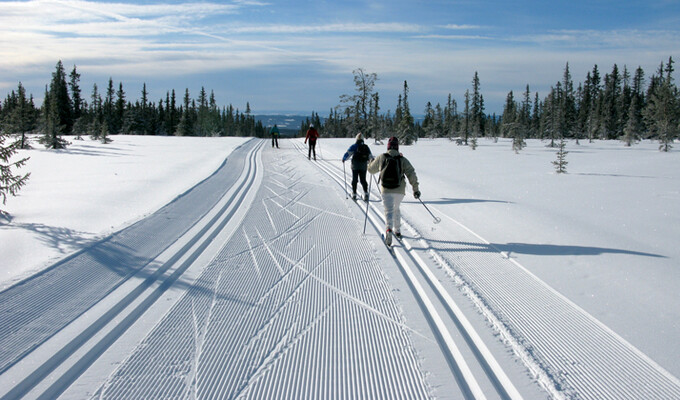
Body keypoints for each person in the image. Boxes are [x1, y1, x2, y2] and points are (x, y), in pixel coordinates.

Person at [367, 136, 420, 246]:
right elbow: (411, 174)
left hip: (386, 189)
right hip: (399, 190)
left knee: (388, 210)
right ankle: (397, 230)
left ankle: (388, 230)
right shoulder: (402, 159)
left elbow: (371, 170)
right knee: (396, 208)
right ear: (397, 147)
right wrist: (416, 189)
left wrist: (371, 162)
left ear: (388, 146)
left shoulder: (382, 157)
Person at [342, 133, 373, 201]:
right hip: (363, 166)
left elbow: (348, 154)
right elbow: (370, 156)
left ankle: (354, 194)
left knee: (354, 179)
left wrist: (344, 159)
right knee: (363, 180)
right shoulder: (366, 147)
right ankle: (366, 193)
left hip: (355, 166)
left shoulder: (354, 146)